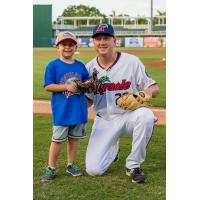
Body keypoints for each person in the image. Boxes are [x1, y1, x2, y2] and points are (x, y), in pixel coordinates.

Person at [85, 24, 159, 183]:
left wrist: (143, 93)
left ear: (114, 40)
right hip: (104, 120)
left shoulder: (131, 61)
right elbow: (89, 99)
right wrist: (71, 106)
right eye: (98, 39)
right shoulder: (89, 68)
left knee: (146, 116)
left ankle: (133, 165)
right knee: (94, 170)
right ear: (93, 41)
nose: (102, 42)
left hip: (129, 116)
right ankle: (112, 149)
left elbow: (154, 87)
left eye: (106, 38)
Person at [41, 31, 89, 182]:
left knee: (74, 140)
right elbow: (48, 86)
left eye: (71, 45)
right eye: (64, 44)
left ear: (75, 47)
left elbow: (87, 84)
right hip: (62, 111)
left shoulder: (81, 66)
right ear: (58, 47)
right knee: (57, 140)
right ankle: (51, 167)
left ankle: (71, 164)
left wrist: (89, 84)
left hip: (78, 110)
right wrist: (66, 87)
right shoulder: (53, 65)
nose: (67, 47)